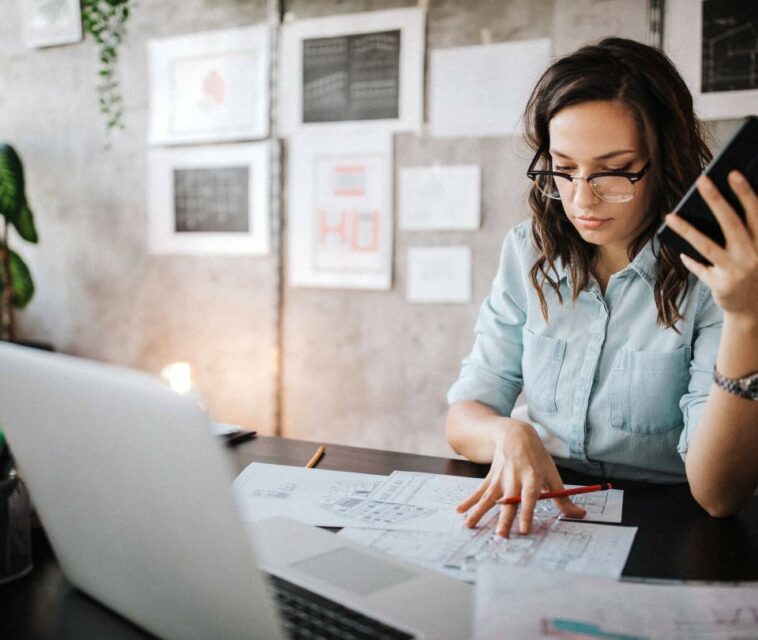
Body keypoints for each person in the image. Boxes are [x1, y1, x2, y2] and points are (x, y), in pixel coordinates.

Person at [445, 37, 758, 538]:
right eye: (564, 170)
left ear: (666, 160)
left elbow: (719, 495)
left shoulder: (717, 273)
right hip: (550, 511)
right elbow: (465, 414)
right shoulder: (530, 250)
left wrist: (747, 317)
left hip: (672, 524)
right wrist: (508, 433)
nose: (581, 199)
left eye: (612, 172)